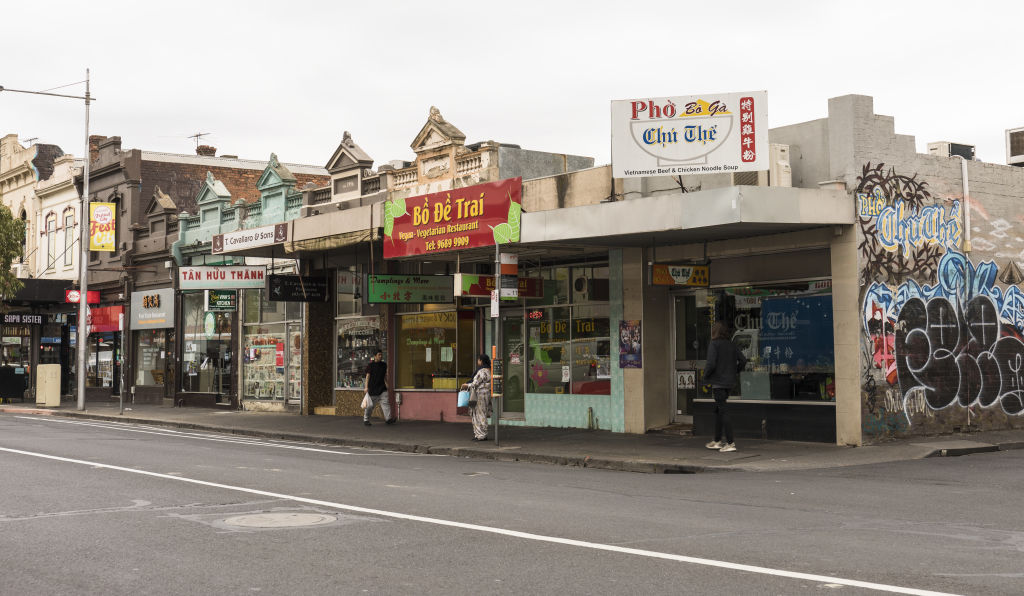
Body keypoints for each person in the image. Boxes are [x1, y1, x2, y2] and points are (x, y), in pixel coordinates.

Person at [704, 322, 747, 453]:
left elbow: (711, 364)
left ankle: (730, 443)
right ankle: (717, 441)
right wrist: (735, 371)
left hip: (718, 383)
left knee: (723, 411)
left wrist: (705, 376)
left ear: (714, 332)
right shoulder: (731, 344)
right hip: (729, 383)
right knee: (719, 410)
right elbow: (743, 360)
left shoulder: (714, 344)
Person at [461, 354, 492, 441]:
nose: (478, 362)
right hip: (487, 395)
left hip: (480, 395)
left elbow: (475, 383)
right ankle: (482, 434)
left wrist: (466, 385)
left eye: (478, 360)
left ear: (481, 361)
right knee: (483, 413)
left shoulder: (481, 371)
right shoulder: (489, 370)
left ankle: (481, 435)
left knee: (478, 414)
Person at [363, 350, 395, 426]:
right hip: (373, 389)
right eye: (379, 355)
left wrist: (387, 384)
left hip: (382, 388)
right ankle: (366, 419)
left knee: (385, 403)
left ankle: (388, 419)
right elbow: (367, 377)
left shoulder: (384, 365)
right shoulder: (370, 365)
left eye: (381, 354)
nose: (380, 356)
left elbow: (384, 376)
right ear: (375, 356)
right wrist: (366, 387)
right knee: (370, 406)